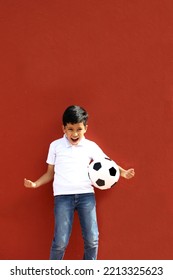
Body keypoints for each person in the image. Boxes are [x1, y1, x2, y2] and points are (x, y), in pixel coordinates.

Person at [24, 105, 135, 260]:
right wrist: (35, 184)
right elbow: (50, 174)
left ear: (85, 128)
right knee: (60, 241)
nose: (74, 134)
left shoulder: (90, 146)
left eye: (79, 129)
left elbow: (108, 162)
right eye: (70, 129)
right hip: (63, 197)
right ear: (63, 128)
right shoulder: (55, 146)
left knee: (92, 239)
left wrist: (123, 172)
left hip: (86, 196)